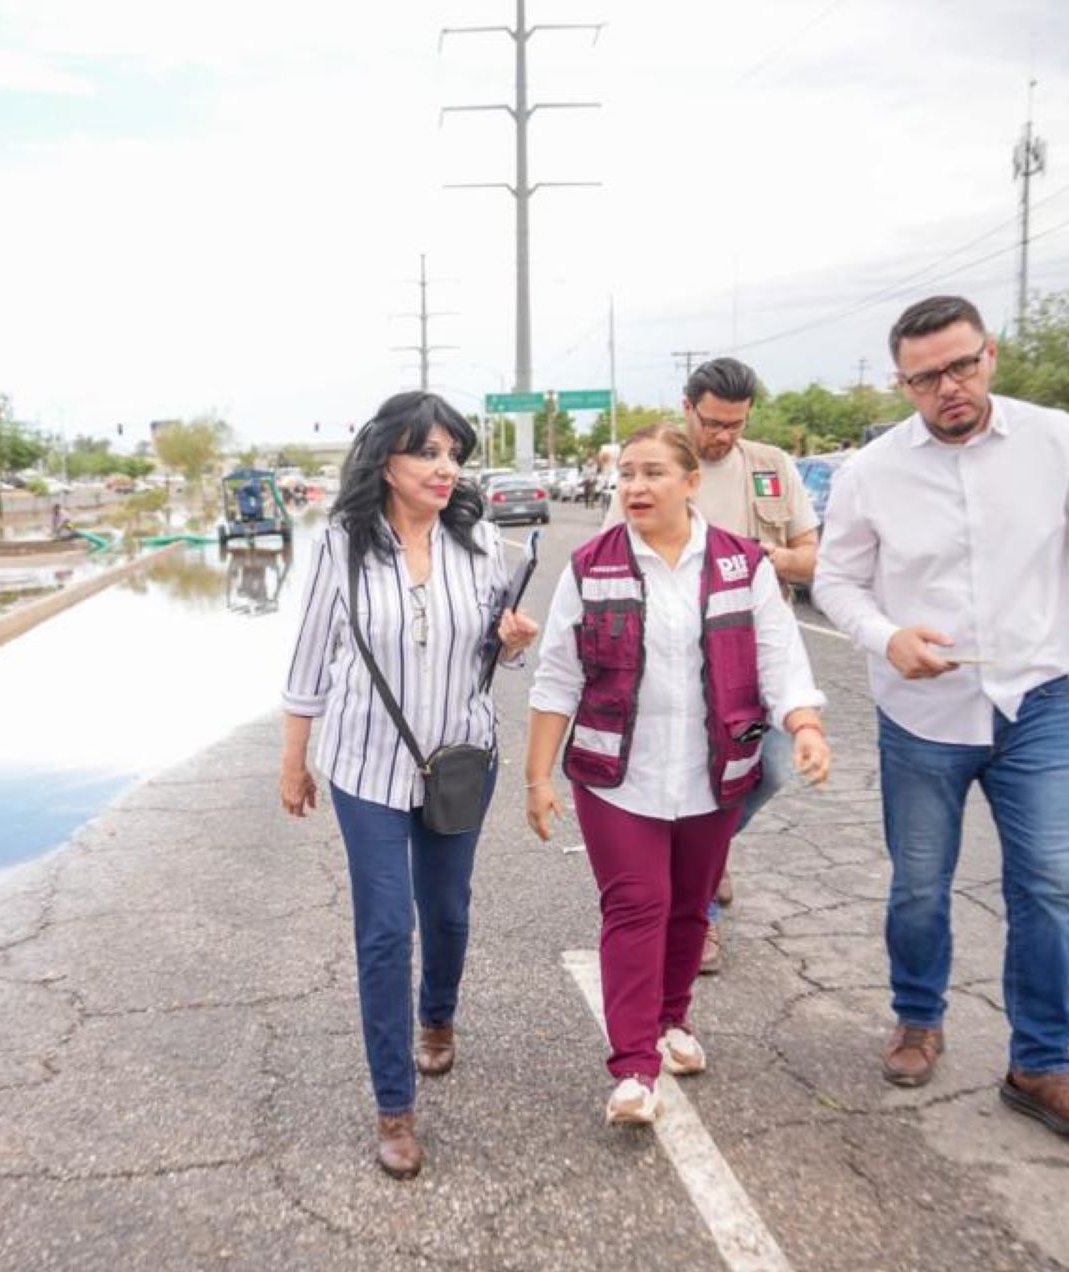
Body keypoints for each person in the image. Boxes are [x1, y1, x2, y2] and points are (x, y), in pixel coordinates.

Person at [814, 294, 1069, 1140]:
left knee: (1046, 884)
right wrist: (888, 638)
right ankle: (918, 1017)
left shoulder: (1055, 438)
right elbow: (836, 582)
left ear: (989, 355)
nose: (949, 387)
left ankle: (1042, 1061)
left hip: (1035, 701)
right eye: (926, 377)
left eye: (962, 365)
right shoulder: (872, 471)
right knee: (920, 886)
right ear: (902, 383)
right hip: (922, 713)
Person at [526, 423, 830, 1126]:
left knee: (691, 905)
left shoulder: (741, 563)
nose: (635, 486)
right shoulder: (589, 566)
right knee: (636, 904)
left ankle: (671, 1019)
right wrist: (537, 778)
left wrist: (804, 724)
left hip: (713, 769)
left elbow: (778, 656)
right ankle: (633, 1065)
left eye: (654, 472)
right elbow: (557, 677)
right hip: (615, 774)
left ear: (692, 482)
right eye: (627, 473)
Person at [280, 391, 540, 1179]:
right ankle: (394, 1107)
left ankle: (439, 1016)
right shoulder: (340, 545)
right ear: (385, 459)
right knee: (387, 929)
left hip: (460, 756)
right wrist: (294, 758)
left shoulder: (481, 539)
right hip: (366, 763)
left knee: (448, 911)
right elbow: (309, 655)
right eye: (428, 452)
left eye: (453, 454)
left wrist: (516, 640)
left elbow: (497, 651)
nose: (444, 468)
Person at [604, 358, 822, 974]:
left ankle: (709, 852)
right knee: (698, 782)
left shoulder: (771, 468)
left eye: (735, 423)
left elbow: (812, 560)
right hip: (676, 662)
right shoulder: (657, 466)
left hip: (756, 655)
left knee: (773, 768)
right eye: (712, 422)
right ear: (687, 407)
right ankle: (699, 915)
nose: (723, 436)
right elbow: (610, 559)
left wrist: (762, 558)